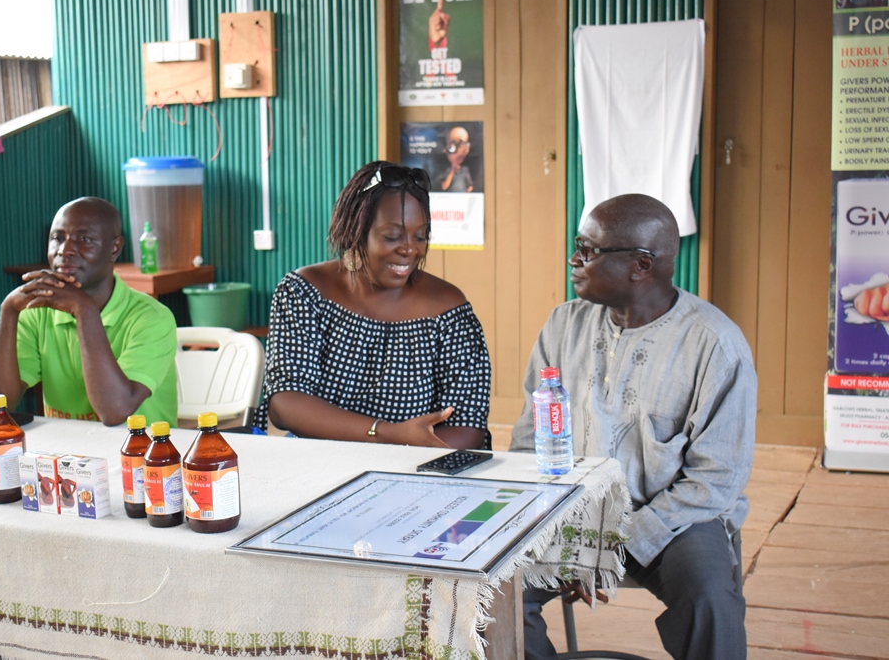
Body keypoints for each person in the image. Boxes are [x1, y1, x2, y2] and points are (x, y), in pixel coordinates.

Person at [512, 194, 756, 660]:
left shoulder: (716, 345)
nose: (574, 258)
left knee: (710, 601)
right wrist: (555, 527)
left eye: (588, 249)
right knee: (487, 591)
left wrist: (609, 544)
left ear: (641, 265)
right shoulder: (564, 325)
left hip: (675, 521)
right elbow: (528, 441)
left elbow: (715, 481)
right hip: (565, 513)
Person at [256, 161, 491, 449]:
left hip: (418, 470)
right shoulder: (305, 294)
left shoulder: (448, 309)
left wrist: (399, 460)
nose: (409, 249)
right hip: (320, 462)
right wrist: (389, 433)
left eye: (420, 236)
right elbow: (284, 404)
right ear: (357, 230)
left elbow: (469, 426)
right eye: (392, 236)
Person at [0, 197, 178, 427]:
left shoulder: (152, 318)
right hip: (68, 456)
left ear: (114, 249)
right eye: (57, 238)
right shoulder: (36, 311)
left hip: (143, 455)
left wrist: (84, 310)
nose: (65, 251)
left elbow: (114, 411)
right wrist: (9, 311)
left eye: (84, 239)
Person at [435, 126, 474, 193]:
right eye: (452, 146)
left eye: (462, 144)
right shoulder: (446, 170)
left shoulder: (464, 170)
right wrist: (452, 171)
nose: (460, 151)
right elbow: (444, 187)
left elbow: (470, 186)